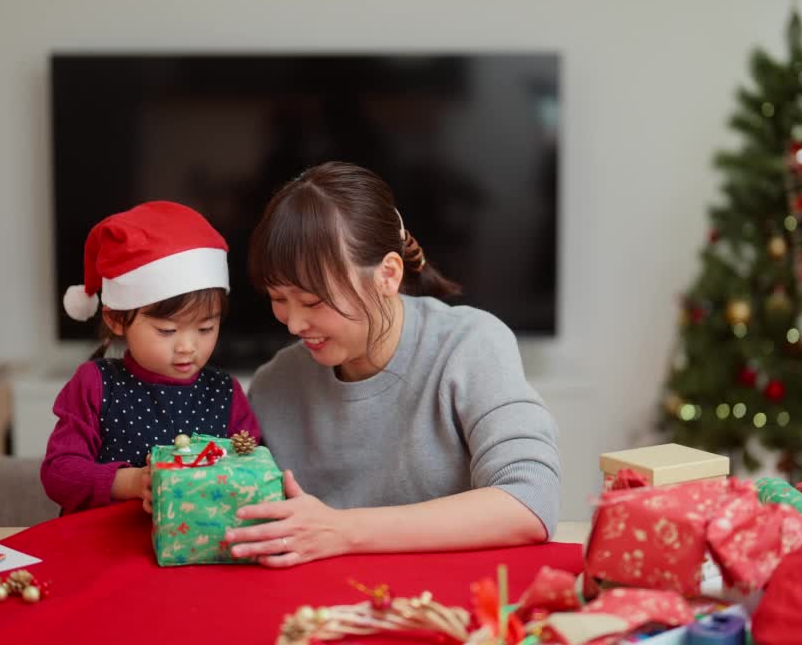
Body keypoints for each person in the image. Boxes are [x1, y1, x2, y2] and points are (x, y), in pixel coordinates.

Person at [227, 161, 561, 567]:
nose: (295, 323)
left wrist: (342, 532)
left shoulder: (469, 346)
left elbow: (531, 500)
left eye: (313, 301)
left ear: (387, 274)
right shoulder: (274, 385)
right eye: (278, 300)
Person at [40, 201, 260, 514]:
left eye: (205, 328)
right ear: (117, 320)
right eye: (167, 331)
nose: (187, 346)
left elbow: (251, 469)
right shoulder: (95, 385)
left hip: (196, 548)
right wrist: (131, 482)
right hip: (102, 546)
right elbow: (58, 474)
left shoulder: (225, 393)